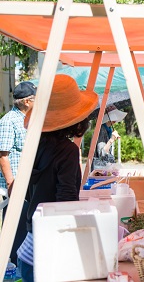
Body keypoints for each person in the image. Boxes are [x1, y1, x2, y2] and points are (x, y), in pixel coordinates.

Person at [16, 74, 98, 282]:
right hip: (49, 251)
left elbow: (24, 192)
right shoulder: (67, 151)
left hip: (28, 247)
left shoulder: (34, 146)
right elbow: (67, 201)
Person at [0, 80, 36, 265]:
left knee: (25, 225)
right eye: (36, 99)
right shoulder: (8, 121)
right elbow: (3, 155)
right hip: (14, 186)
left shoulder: (27, 120)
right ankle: (13, 267)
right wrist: (11, 184)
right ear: (28, 102)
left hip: (27, 185)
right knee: (16, 229)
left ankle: (21, 264)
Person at [93, 104, 127, 169]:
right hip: (100, 170)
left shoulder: (108, 129)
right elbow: (102, 153)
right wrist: (111, 140)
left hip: (105, 168)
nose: (115, 120)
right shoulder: (101, 130)